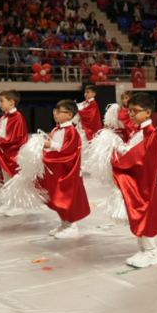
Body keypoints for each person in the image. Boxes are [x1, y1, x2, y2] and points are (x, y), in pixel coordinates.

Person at [112, 93, 157, 267]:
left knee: (145, 214)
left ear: (147, 113)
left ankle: (151, 252)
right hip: (139, 178)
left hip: (147, 180)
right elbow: (132, 149)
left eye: (135, 111)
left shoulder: (151, 133)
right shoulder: (136, 130)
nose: (131, 114)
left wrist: (119, 151)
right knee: (138, 213)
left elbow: (140, 157)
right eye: (130, 111)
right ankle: (142, 250)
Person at [40, 100, 91, 239]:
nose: (55, 114)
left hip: (66, 171)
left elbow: (68, 151)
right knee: (57, 197)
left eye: (58, 111)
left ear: (69, 115)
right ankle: (64, 223)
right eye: (54, 111)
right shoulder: (56, 129)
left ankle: (71, 225)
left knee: (66, 197)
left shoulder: (71, 132)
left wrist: (51, 145)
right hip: (56, 169)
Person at [0, 90, 29, 216]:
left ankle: (19, 204)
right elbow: (2, 133)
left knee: (15, 179)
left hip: (14, 154)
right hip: (4, 153)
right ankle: (9, 202)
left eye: (1, 101)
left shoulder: (17, 118)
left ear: (11, 102)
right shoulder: (3, 118)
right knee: (6, 178)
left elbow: (14, 138)